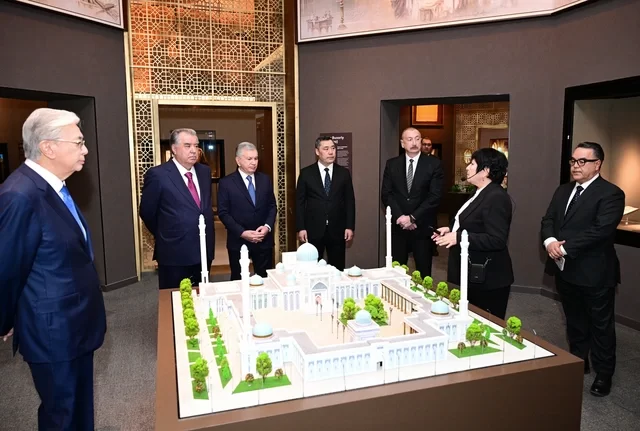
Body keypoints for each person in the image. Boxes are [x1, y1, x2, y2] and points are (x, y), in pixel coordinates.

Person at [0, 108, 106, 430]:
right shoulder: (20, 195)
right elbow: (7, 268)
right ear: (48, 147)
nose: (85, 150)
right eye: (78, 142)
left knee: (79, 406)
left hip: (75, 324)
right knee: (62, 414)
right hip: (53, 332)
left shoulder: (54, 186)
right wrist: (5, 319)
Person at [540, 141, 624, 397]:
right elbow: (549, 219)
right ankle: (579, 361)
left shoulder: (611, 193)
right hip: (565, 270)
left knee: (601, 326)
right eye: (573, 161)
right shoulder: (563, 190)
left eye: (582, 161)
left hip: (595, 272)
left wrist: (563, 248)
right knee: (574, 320)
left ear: (597, 164)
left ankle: (604, 374)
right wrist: (550, 241)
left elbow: (601, 230)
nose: (575, 166)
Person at [433, 148, 513, 320]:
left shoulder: (496, 197)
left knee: (484, 324)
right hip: (471, 273)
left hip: (488, 279)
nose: (468, 167)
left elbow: (497, 239)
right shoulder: (479, 192)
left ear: (485, 171)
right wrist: (451, 229)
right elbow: (474, 223)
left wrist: (459, 237)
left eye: (472, 164)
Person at [139, 128, 214, 289]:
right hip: (174, 252)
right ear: (174, 148)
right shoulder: (158, 175)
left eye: (196, 145)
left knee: (202, 293)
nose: (193, 150)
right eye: (187, 145)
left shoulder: (204, 172)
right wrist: (166, 233)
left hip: (204, 247)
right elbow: (147, 212)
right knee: (175, 296)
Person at [381, 127, 443, 277]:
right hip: (399, 227)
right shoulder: (392, 164)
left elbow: (434, 196)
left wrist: (413, 217)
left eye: (417, 139)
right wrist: (401, 217)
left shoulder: (434, 164)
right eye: (409, 139)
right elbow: (387, 194)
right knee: (397, 272)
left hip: (423, 226)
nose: (414, 143)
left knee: (424, 273)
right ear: (402, 143)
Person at [218, 142, 277, 280]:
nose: (253, 162)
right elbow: (223, 213)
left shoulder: (265, 179)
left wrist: (267, 227)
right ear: (238, 161)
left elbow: (272, 206)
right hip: (238, 241)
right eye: (249, 159)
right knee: (239, 280)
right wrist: (242, 232)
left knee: (265, 280)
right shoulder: (226, 183)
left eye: (256, 158)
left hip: (263, 240)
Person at [296, 135, 356, 271]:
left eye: (333, 148)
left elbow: (350, 201)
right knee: (312, 269)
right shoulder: (306, 173)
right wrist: (301, 227)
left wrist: (349, 226)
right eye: (326, 149)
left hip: (337, 229)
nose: (331, 152)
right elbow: (299, 202)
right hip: (313, 229)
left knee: (337, 268)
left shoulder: (343, 173)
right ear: (317, 151)